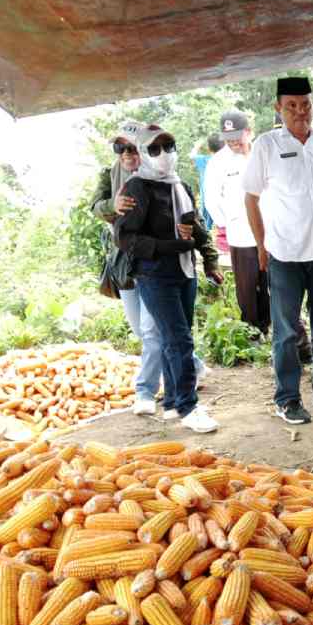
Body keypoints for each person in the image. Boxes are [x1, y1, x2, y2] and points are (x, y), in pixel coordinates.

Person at [242, 76, 313, 424]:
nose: (300, 111)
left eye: (305, 104)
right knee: (287, 331)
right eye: (291, 105)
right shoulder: (266, 145)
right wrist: (261, 245)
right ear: (278, 107)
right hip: (285, 254)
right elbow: (251, 197)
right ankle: (287, 398)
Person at [115, 125, 221, 433]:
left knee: (179, 337)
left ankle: (174, 401)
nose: (164, 155)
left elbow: (195, 226)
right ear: (144, 154)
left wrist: (209, 258)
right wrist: (169, 247)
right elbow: (125, 237)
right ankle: (189, 407)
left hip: (184, 271)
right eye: (154, 149)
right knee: (177, 340)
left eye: (169, 146)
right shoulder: (137, 188)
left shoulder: (180, 186)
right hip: (155, 274)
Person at [90, 120, 165, 414]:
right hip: (123, 259)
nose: (126, 153)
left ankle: (145, 391)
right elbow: (95, 205)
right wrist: (113, 206)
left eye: (132, 147)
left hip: (152, 258)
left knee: (150, 329)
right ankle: (192, 363)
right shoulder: (109, 174)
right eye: (120, 147)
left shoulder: (159, 173)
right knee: (140, 327)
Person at [206, 110, 269, 335]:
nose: (233, 141)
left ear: (248, 132)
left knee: (271, 281)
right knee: (247, 285)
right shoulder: (218, 162)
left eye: (237, 135)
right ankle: (252, 330)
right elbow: (212, 199)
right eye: (228, 137)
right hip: (240, 232)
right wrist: (228, 222)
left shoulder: (262, 152)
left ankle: (270, 325)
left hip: (270, 230)